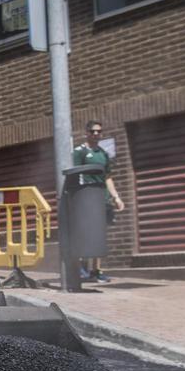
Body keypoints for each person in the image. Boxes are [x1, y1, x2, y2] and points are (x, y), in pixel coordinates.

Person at [72, 119, 125, 283]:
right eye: (93, 131)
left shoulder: (103, 154)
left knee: (100, 234)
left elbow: (108, 177)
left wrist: (116, 197)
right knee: (86, 233)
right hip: (86, 197)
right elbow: (74, 174)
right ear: (87, 133)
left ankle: (97, 270)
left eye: (99, 131)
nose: (96, 134)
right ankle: (82, 267)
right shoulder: (79, 152)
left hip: (102, 199)